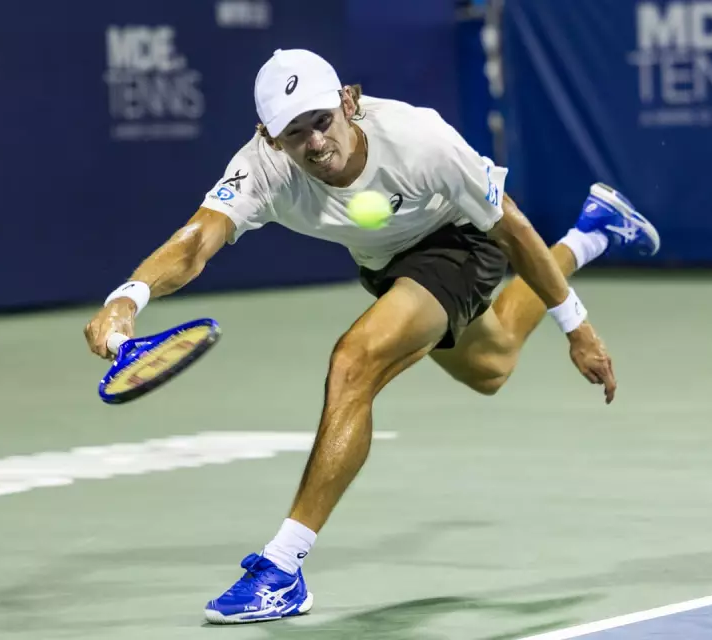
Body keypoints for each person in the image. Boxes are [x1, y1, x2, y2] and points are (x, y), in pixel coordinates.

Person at [84, 48, 660, 624]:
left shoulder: (420, 139)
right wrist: (127, 298)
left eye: (322, 121)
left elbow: (510, 229)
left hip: (459, 240)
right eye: (294, 133)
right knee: (493, 362)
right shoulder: (262, 166)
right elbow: (196, 241)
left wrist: (577, 327)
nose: (315, 143)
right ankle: (593, 232)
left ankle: (282, 569)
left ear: (348, 101)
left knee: (353, 363)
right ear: (268, 135)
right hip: (385, 263)